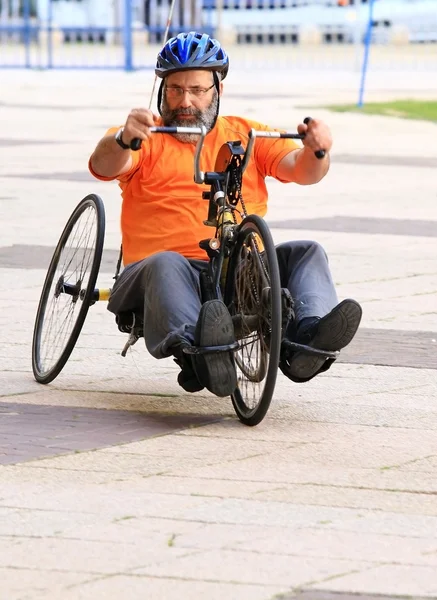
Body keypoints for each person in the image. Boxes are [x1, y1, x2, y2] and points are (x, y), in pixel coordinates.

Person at [89, 30, 362, 398]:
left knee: (307, 252)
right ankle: (199, 352)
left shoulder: (245, 134)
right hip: (160, 273)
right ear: (161, 90)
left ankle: (306, 341)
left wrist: (318, 150)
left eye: (198, 90)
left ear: (218, 90)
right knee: (166, 263)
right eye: (175, 89)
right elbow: (104, 165)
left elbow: (303, 170)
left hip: (237, 270)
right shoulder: (144, 136)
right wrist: (123, 138)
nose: (186, 101)